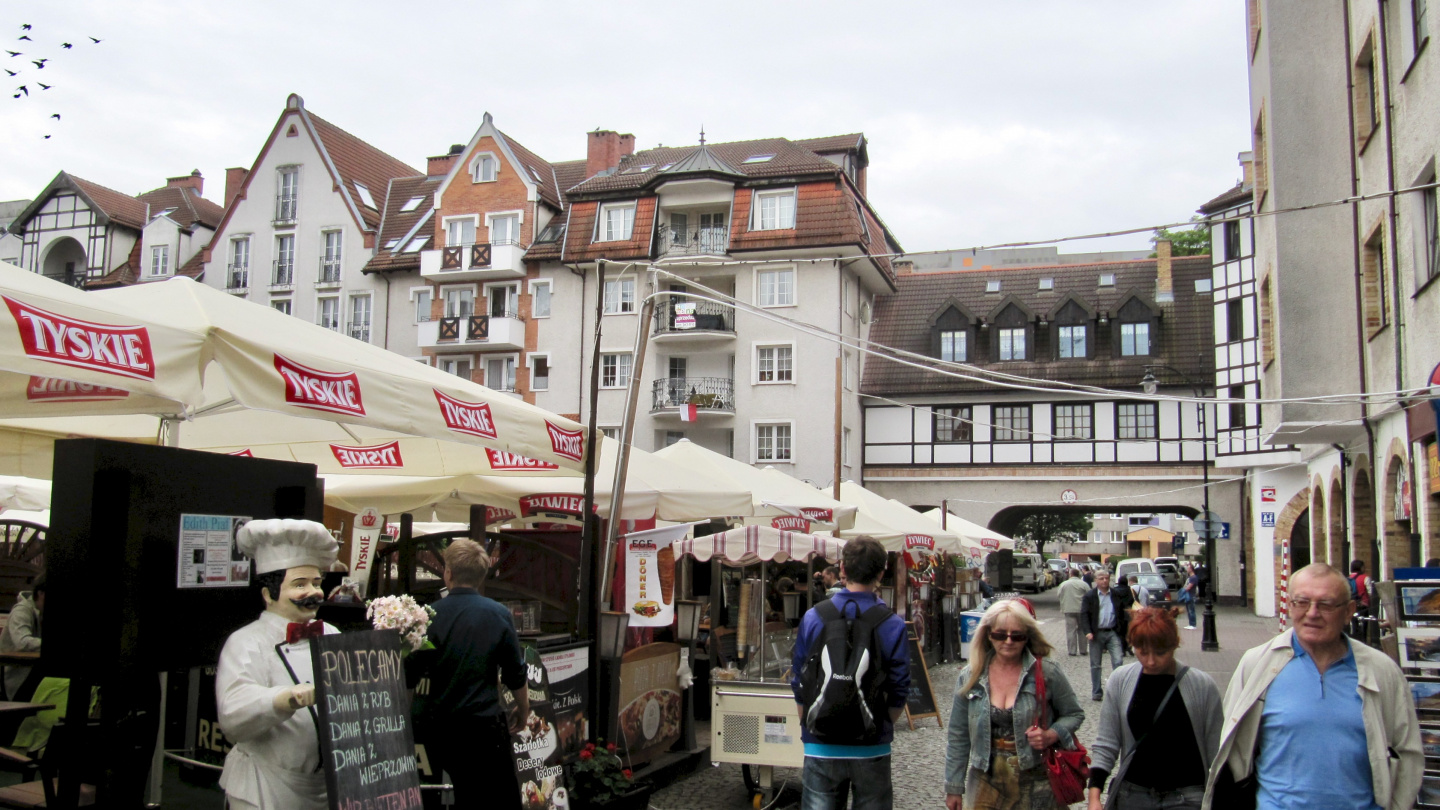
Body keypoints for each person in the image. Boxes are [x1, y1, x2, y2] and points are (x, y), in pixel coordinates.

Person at [1202, 563, 1422, 810]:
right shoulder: (1257, 664)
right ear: (1290, 605)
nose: (1312, 613)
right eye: (1302, 602)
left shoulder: (1382, 671)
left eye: (1326, 604)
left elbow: (1408, 753)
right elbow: (1232, 750)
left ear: (1349, 611)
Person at [216, 520, 340, 810]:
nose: (313, 592)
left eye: (316, 583)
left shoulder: (331, 634)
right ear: (268, 594)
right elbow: (233, 713)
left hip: (326, 788)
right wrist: (286, 698)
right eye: (299, 584)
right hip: (263, 787)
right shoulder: (246, 642)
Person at [791, 537, 909, 810]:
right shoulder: (892, 624)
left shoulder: (814, 616)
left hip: (821, 742)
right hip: (872, 744)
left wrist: (808, 719)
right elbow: (900, 687)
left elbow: (799, 676)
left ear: (842, 568)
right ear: (882, 572)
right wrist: (881, 722)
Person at [414, 539, 527, 810]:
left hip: (437, 727)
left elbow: (411, 674)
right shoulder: (498, 614)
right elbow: (515, 672)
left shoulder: (426, 616)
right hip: (483, 728)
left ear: (448, 573)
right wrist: (523, 709)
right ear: (481, 575)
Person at [944, 599, 1086, 810]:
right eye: (1000, 634)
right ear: (988, 634)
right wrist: (954, 787)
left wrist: (1052, 734)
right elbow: (958, 734)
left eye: (1017, 635)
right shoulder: (970, 677)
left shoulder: (1047, 672)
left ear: (1027, 636)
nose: (1008, 641)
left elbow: (1074, 714)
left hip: (1037, 781)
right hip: (985, 782)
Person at [1087, 607, 1222, 810]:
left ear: (1174, 645)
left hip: (1186, 797)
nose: (1150, 661)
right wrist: (1094, 796)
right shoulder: (1120, 681)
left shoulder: (1202, 686)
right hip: (1133, 796)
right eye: (1142, 652)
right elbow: (1107, 743)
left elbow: (1217, 753)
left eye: (1160, 653)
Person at [1080, 570, 1127, 701]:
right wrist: (1087, 631)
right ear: (1096, 580)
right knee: (1095, 664)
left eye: (1106, 578)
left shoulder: (1116, 594)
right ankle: (1096, 692)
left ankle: (1117, 690)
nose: (1104, 581)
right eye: (1101, 578)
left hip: (1113, 632)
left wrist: (1123, 631)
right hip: (1096, 633)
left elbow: (1122, 614)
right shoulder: (1090, 596)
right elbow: (1084, 614)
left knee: (1118, 661)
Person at [0, 575, 43, 700]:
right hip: (18, 675)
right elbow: (22, 642)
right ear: (41, 593)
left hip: (35, 671)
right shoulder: (22, 610)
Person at [1057, 568, 1090, 657]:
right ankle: (1083, 650)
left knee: (1070, 630)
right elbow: (1089, 595)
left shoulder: (1064, 584)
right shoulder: (1084, 584)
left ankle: (1072, 651)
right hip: (1081, 609)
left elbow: (1059, 594)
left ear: (1070, 574)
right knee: (1082, 630)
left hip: (1068, 609)